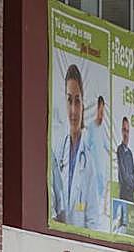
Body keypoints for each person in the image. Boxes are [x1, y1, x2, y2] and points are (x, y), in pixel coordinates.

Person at [50, 64, 102, 230]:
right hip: (58, 238)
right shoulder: (57, 150)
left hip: (79, 244)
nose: (73, 110)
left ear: (83, 105)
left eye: (77, 101)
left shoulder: (89, 161)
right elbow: (52, 200)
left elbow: (93, 218)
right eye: (69, 100)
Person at [116, 116, 134, 204]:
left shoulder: (130, 153)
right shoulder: (120, 150)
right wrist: (130, 182)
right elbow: (123, 174)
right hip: (124, 192)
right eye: (124, 130)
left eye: (127, 131)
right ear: (121, 131)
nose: (126, 134)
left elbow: (133, 174)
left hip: (131, 193)